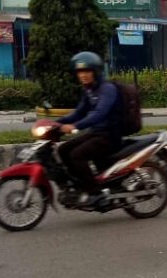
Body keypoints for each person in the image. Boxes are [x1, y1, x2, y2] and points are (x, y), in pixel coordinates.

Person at [57, 51, 123, 207]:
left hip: (110, 136)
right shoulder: (89, 90)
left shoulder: (107, 89)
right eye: (80, 72)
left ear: (96, 72)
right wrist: (56, 123)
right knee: (63, 150)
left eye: (87, 71)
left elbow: (99, 114)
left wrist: (75, 126)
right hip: (96, 134)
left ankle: (94, 193)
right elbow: (79, 112)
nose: (83, 75)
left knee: (77, 155)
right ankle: (79, 185)